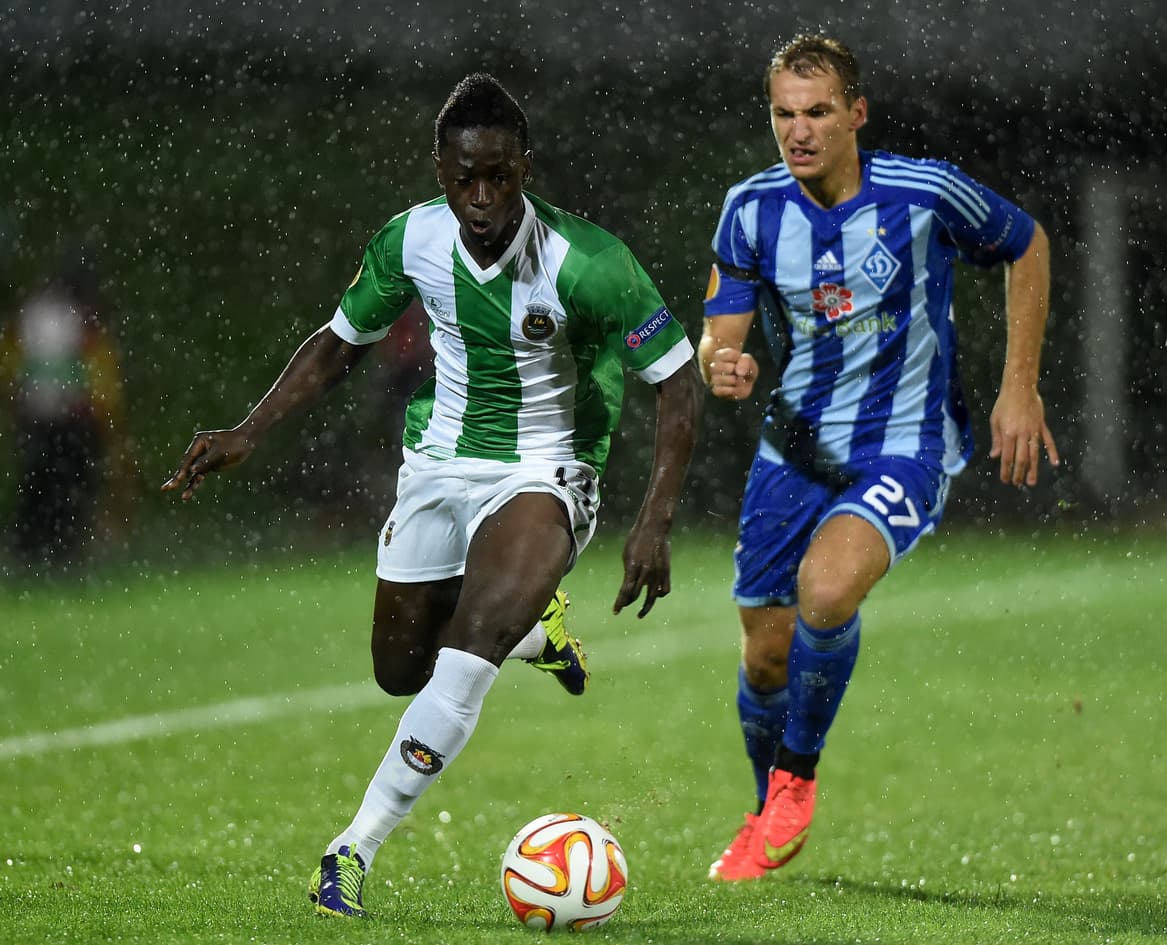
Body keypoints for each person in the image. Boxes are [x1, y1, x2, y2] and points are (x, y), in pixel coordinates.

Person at [162, 73, 702, 916]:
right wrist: (248, 429)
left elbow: (678, 380)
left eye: (500, 177)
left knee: (469, 649)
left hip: (547, 467)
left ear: (526, 168)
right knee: (399, 668)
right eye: (464, 179)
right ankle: (537, 631)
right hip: (438, 465)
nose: (481, 199)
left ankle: (352, 849)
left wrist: (654, 520)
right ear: (441, 172)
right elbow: (340, 343)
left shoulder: (591, 263)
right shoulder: (409, 240)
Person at [699, 34, 1059, 881]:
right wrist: (724, 362)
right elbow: (721, 332)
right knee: (765, 653)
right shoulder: (750, 209)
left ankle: (796, 776)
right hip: (796, 447)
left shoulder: (923, 193)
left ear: (856, 114)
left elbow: (1027, 242)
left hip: (907, 441)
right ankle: (764, 810)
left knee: (826, 591)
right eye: (784, 114)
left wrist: (1019, 387)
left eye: (818, 112)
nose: (799, 131)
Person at [1, 254, 135, 574]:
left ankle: (35, 549)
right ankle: (60, 550)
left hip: (38, 415)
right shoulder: (76, 318)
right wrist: (103, 411)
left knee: (39, 485)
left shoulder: (34, 314)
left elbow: (14, 360)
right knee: (68, 487)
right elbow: (96, 369)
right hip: (71, 418)